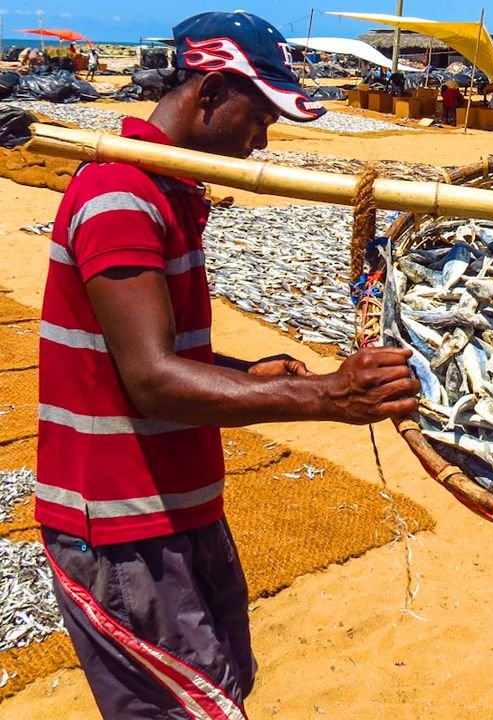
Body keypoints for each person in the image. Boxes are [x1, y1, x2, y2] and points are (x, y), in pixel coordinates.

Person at [36, 11, 419, 719]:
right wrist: (329, 396)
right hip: (125, 528)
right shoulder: (122, 195)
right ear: (209, 93)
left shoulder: (168, 190)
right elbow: (150, 379)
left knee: (220, 689)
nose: (264, 138)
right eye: (259, 115)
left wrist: (245, 372)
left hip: (177, 513)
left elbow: (148, 350)